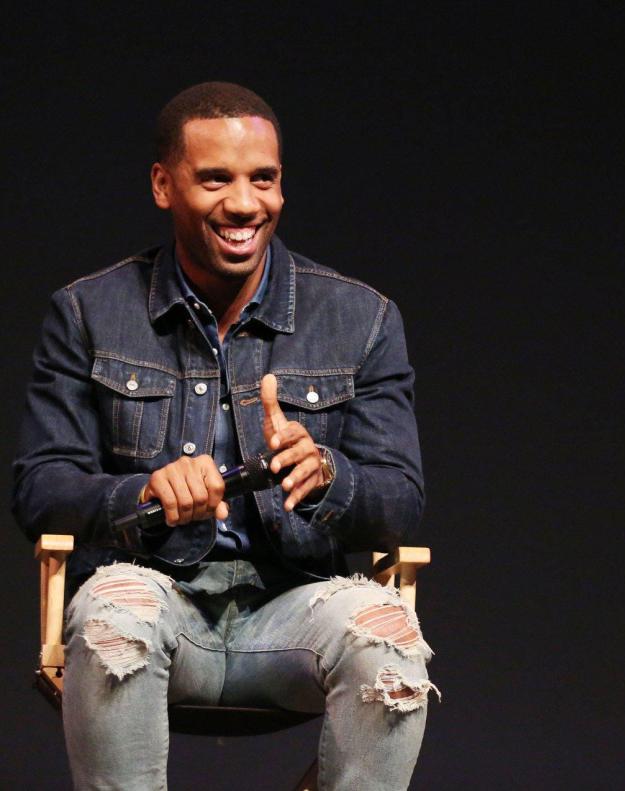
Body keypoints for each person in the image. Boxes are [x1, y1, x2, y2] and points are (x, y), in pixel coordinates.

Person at [12, 82, 434, 790]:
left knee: (388, 637)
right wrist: (141, 491)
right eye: (216, 179)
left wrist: (330, 475)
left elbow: (402, 500)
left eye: (262, 179)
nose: (244, 204)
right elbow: (39, 487)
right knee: (118, 616)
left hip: (297, 608)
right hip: (156, 599)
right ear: (163, 184)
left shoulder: (362, 318)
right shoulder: (88, 312)